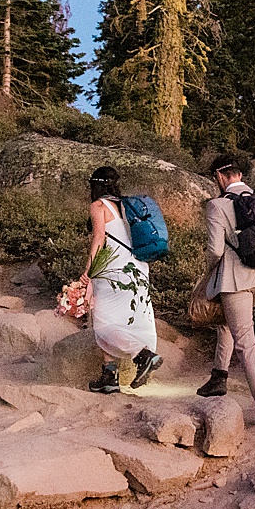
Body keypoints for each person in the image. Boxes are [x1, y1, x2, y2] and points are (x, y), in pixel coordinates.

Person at [196, 156, 255, 425]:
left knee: (244, 341)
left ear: (219, 176)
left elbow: (215, 251)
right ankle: (218, 377)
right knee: (229, 324)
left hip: (236, 282)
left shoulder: (217, 205)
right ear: (240, 174)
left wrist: (208, 275)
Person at [78, 167, 162, 393]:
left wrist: (88, 272)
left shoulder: (98, 206)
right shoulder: (128, 206)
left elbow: (98, 239)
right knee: (127, 321)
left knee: (104, 325)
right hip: (138, 270)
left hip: (113, 271)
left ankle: (142, 356)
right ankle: (109, 376)